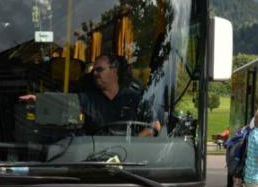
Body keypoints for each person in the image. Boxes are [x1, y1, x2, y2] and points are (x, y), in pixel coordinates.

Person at [19, 53, 160, 137]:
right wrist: (39, 99)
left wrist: (133, 145)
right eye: (93, 70)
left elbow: (155, 126)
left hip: (131, 163)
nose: (95, 73)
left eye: (99, 70)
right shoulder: (87, 98)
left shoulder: (136, 99)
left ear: (114, 71)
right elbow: (65, 102)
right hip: (97, 160)